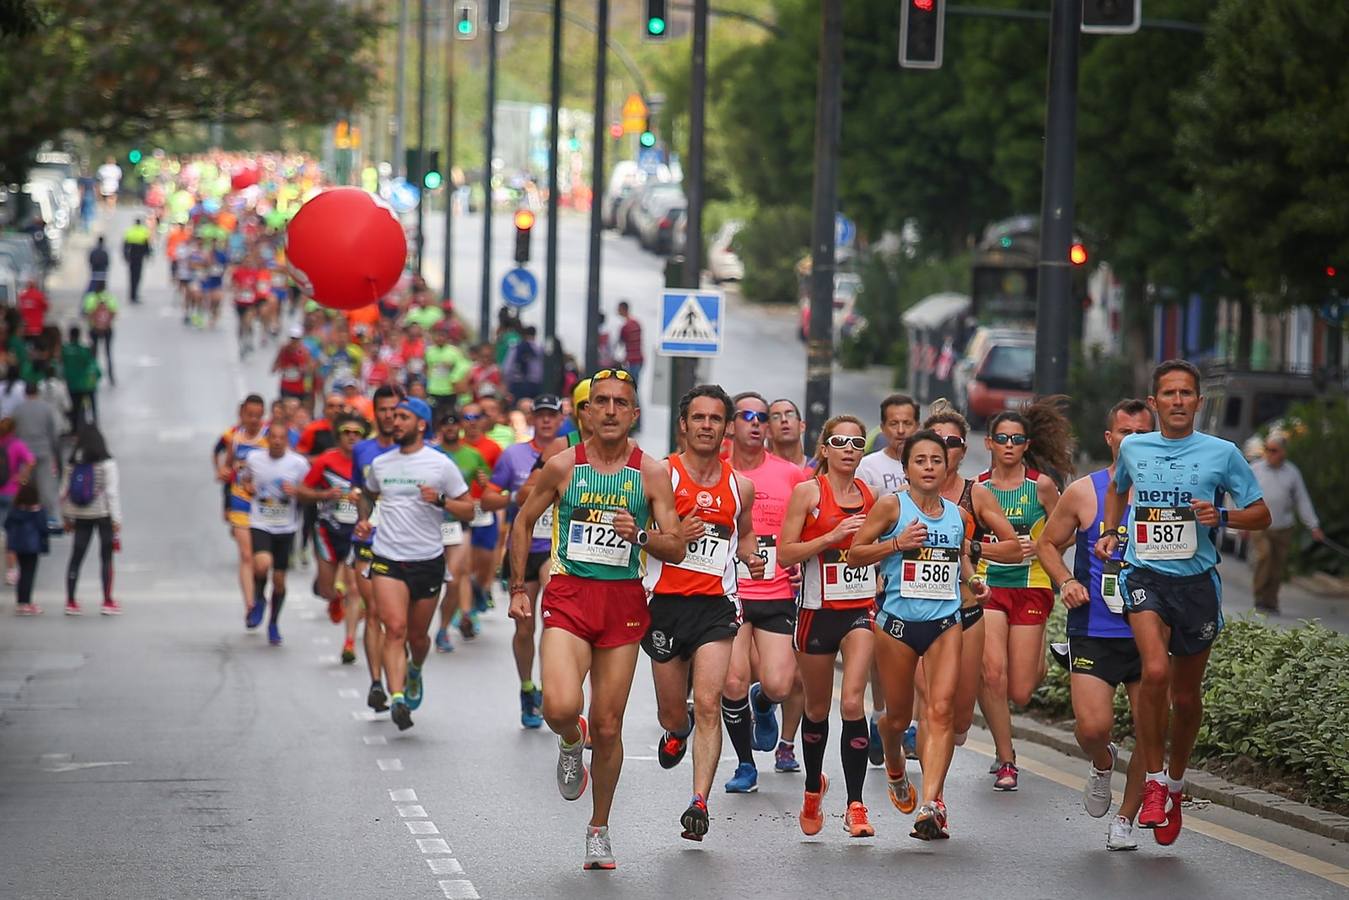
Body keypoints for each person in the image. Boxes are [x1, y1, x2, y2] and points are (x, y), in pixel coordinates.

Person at [506, 367, 685, 871]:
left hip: (623, 603)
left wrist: (641, 537)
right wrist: (519, 587)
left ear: (632, 414)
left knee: (608, 726)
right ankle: (568, 738)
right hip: (568, 594)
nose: (609, 410)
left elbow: (676, 545)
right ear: (585, 412)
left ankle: (599, 828)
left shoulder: (651, 473)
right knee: (560, 705)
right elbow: (522, 521)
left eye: (619, 403)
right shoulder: (563, 465)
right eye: (600, 401)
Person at [1095, 359, 1271, 846]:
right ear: (1153, 404)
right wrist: (1112, 531)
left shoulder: (1223, 453)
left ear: (1198, 401)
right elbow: (1116, 489)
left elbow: (1263, 515)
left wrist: (1223, 515)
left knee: (1186, 699)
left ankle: (1174, 782)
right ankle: (1152, 784)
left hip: (1195, 584)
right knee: (1154, 671)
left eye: (1185, 394)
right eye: (1168, 394)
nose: (1177, 401)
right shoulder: (1134, 446)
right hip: (1144, 573)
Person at [848, 429, 989, 839]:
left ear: (947, 467)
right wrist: (896, 544)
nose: (929, 467)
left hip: (946, 622)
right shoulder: (892, 507)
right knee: (897, 717)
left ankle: (930, 805)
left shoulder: (959, 516)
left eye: (936, 461)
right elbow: (856, 551)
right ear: (906, 468)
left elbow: (958, 562)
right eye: (920, 461)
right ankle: (894, 765)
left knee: (941, 711)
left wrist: (974, 581)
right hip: (896, 625)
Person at [643, 385, 763, 842]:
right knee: (673, 712)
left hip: (716, 606)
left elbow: (745, 535)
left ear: (726, 427)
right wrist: (672, 536)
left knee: (710, 702)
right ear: (683, 425)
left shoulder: (740, 486)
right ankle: (677, 730)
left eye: (716, 418)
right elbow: (640, 533)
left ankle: (699, 802)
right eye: (699, 418)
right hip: (666, 606)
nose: (707, 426)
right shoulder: (660, 476)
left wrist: (750, 557)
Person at [1036, 398, 1156, 851]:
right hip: (1095, 628)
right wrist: (1065, 580)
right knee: (1091, 727)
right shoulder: (1086, 491)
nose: (1134, 442)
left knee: (1149, 728)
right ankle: (1103, 762)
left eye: (1144, 433)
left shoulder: (1169, 493)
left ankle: (1125, 818)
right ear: (1111, 439)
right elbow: (1048, 545)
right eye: (1126, 433)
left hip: (1152, 629)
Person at [778, 414, 878, 838]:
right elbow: (785, 554)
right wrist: (830, 536)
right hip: (817, 612)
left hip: (860, 610)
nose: (849, 449)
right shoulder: (807, 492)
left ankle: (856, 805)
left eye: (857, 443)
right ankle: (812, 787)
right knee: (816, 709)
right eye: (840, 442)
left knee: (853, 704)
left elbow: (877, 549)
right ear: (824, 449)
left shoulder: (870, 496)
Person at [354, 397, 475, 731]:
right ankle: (397, 699)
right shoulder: (381, 463)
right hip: (388, 557)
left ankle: (415, 671)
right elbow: (368, 493)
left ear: (421, 424)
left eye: (403, 417)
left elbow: (469, 510)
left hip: (427, 560)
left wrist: (440, 499)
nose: (395, 422)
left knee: (418, 637)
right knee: (394, 628)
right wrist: (364, 519)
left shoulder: (440, 465)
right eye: (393, 417)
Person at [977, 397, 1073, 791]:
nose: (1010, 445)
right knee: (992, 674)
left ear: (1026, 445)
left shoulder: (1042, 486)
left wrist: (1044, 547)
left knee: (1020, 688)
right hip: (991, 584)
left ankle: (1038, 664)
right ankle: (1006, 757)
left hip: (1031, 585)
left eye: (1017, 439)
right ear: (990, 443)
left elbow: (1065, 531)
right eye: (1002, 438)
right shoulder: (978, 488)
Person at [722, 391, 810, 787]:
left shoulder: (791, 474)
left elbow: (812, 526)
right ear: (730, 426)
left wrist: (802, 566)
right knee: (732, 681)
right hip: (730, 593)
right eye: (746, 416)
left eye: (762, 417)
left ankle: (763, 702)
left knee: (778, 684)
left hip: (776, 592)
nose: (756, 423)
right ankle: (745, 764)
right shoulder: (718, 473)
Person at [480, 394, 565, 727]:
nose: (546, 421)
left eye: (552, 416)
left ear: (561, 420)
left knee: (554, 618)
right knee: (525, 627)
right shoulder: (514, 455)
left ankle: (552, 686)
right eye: (540, 415)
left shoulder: (570, 455)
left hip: (554, 549)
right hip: (523, 546)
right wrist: (513, 498)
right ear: (532, 419)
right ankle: (527, 687)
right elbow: (488, 499)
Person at [855, 393, 921, 761]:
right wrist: (874, 570)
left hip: (926, 575)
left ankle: (909, 724)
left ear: (917, 426)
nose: (900, 430)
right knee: (885, 655)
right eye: (893, 424)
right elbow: (866, 526)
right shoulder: (870, 467)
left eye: (907, 423)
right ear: (882, 428)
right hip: (883, 570)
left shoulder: (930, 464)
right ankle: (881, 715)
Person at [350, 386, 403, 712]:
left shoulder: (412, 450)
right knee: (374, 612)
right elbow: (362, 493)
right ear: (375, 412)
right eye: (383, 410)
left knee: (398, 622)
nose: (389, 416)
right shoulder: (362, 451)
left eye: (395, 411)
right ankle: (376, 683)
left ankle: (401, 671)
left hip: (405, 544)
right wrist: (362, 517)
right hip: (370, 541)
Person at [300, 413, 367, 663]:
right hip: (328, 528)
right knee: (328, 588)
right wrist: (326, 494)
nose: (351, 437)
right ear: (338, 436)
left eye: (357, 433)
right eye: (347, 432)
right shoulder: (326, 461)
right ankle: (334, 600)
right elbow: (303, 491)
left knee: (353, 588)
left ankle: (349, 641)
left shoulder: (369, 462)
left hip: (357, 532)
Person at [240, 422, 311, 645]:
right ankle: (259, 597)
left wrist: (297, 491)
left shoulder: (298, 464)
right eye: (274, 438)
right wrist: (248, 487)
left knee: (279, 581)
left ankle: (273, 623)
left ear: (287, 441)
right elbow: (244, 477)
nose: (278, 441)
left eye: (282, 438)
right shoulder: (255, 459)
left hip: (286, 526)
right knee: (261, 564)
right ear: (268, 440)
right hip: (261, 522)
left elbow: (309, 490)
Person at [1248, 433, 1324, 613]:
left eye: (1274, 450)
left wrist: (1313, 525)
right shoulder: (1256, 469)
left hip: (1283, 526)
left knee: (1277, 565)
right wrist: (1241, 518)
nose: (1269, 454)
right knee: (1264, 556)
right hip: (1259, 526)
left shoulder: (1292, 472)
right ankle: (1258, 598)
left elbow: (1302, 500)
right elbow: (1241, 492)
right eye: (1267, 450)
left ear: (1283, 453)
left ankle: (1270, 601)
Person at [214, 395, 268, 624]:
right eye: (250, 415)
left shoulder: (270, 438)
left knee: (261, 562)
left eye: (258, 415)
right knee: (246, 556)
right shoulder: (233, 437)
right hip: (240, 501)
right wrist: (221, 471)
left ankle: (259, 590)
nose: (254, 420)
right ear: (241, 414)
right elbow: (223, 462)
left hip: (265, 506)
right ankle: (250, 606)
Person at [60, 424, 122, 615]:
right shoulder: (107, 464)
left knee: (76, 557)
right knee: (106, 558)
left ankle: (71, 601)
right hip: (103, 514)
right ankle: (107, 601)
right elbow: (112, 493)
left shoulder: (72, 464)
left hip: (80, 515)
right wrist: (116, 519)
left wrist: (66, 517)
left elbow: (63, 492)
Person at [11, 381, 62, 533]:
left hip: (25, 455)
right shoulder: (46, 408)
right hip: (44, 452)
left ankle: (28, 517)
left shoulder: (18, 410)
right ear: (37, 393)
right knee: (46, 486)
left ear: (25, 393)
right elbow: (52, 433)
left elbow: (16, 433)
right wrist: (55, 453)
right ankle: (50, 518)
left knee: (27, 487)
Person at [0, 418, 37, 586]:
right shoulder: (16, 444)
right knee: (10, 533)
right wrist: (22, 478)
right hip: (11, 492)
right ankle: (11, 570)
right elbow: (31, 460)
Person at [7, 482, 49, 615]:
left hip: (17, 545)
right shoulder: (38, 511)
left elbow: (7, 524)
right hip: (32, 546)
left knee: (22, 573)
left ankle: (21, 602)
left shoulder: (15, 511)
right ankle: (27, 603)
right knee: (28, 574)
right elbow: (43, 528)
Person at [62, 327, 101, 431]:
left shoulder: (65, 350)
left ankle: (75, 429)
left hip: (72, 385)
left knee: (75, 407)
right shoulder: (83, 350)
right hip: (84, 385)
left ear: (70, 336)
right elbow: (92, 365)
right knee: (90, 407)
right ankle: (93, 425)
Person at [82, 286, 118, 387]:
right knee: (108, 353)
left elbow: (88, 313)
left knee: (94, 355)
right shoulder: (110, 297)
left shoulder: (90, 297)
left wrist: (96, 325)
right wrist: (106, 325)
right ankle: (111, 377)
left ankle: (92, 378)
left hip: (94, 329)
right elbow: (114, 312)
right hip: (107, 330)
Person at [273, 325, 314, 405]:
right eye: (292, 339)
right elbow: (275, 367)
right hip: (286, 387)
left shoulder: (304, 352)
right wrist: (282, 367)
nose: (294, 342)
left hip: (300, 389)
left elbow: (311, 369)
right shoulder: (284, 350)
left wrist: (302, 368)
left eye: (296, 339)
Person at [504, 325, 545, 401]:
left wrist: (508, 384)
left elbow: (507, 369)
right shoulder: (540, 349)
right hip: (536, 384)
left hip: (518, 383)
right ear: (535, 335)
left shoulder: (516, 347)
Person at [768, 398, 809, 467]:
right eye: (776, 417)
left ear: (802, 426)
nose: (784, 420)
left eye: (790, 414)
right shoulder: (758, 471)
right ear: (768, 431)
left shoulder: (821, 469)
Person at [121, 218, 152, 304]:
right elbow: (147, 246)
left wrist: (125, 256)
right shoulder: (144, 231)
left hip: (132, 258)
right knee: (137, 277)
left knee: (131, 277)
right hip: (139, 258)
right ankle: (135, 295)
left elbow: (125, 245)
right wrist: (148, 255)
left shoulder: (130, 231)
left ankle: (132, 295)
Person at [615, 301, 644, 389]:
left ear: (623, 309)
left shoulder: (626, 327)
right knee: (635, 387)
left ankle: (634, 403)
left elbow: (620, 343)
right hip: (639, 358)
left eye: (619, 309)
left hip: (631, 360)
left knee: (631, 388)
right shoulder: (636, 323)